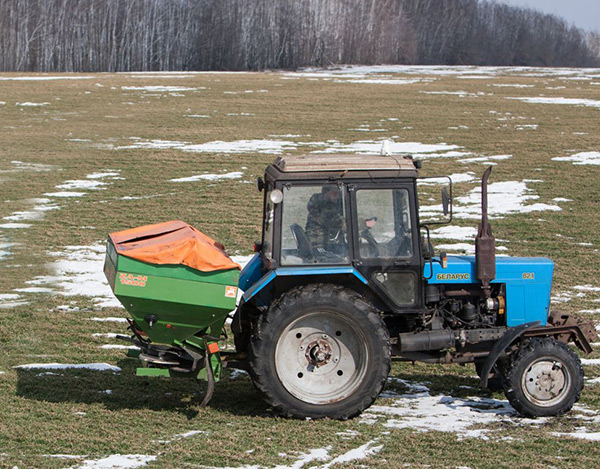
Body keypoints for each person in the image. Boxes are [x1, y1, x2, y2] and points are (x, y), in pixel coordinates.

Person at [305, 185, 346, 255]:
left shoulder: (333, 204)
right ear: (327, 194)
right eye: (335, 193)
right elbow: (338, 223)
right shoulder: (320, 209)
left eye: (339, 194)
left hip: (328, 243)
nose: (337, 196)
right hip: (318, 246)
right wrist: (364, 224)